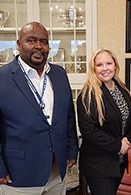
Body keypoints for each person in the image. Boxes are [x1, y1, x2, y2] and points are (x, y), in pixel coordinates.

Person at [0, 22, 79, 195]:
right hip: (18, 176)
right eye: (31, 40)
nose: (39, 46)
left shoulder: (59, 74)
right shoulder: (2, 77)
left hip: (57, 173)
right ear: (19, 44)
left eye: (44, 41)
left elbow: (68, 116)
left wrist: (72, 150)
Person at [77, 47, 131, 195]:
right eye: (99, 65)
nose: (105, 68)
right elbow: (88, 130)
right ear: (93, 68)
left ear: (115, 65)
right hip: (98, 164)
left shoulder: (122, 88)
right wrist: (118, 145)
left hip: (118, 162)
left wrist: (127, 140)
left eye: (108, 63)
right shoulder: (88, 94)